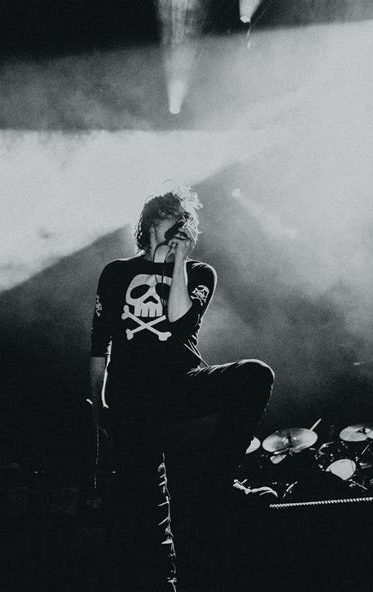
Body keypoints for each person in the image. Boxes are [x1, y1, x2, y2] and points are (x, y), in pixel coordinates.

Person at [88, 187, 274, 591]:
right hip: (130, 400)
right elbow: (99, 345)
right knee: (151, 525)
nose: (181, 227)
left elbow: (178, 323)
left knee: (255, 374)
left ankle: (218, 481)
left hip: (181, 385)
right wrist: (98, 407)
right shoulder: (116, 273)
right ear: (152, 221)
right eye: (174, 218)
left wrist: (179, 264)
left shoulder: (200, 273)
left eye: (187, 221)